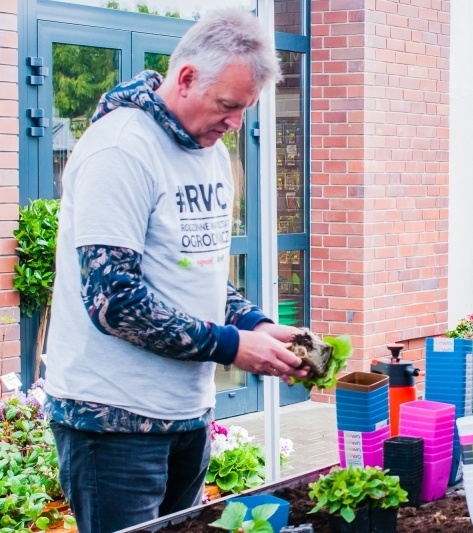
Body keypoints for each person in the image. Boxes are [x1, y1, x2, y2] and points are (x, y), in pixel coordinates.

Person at [43, 8, 308, 532]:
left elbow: (195, 270)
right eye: (228, 106)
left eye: (245, 110)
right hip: (112, 423)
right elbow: (115, 301)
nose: (235, 124)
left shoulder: (210, 152)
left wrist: (255, 324)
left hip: (188, 414)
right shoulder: (121, 149)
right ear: (186, 78)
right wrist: (231, 346)